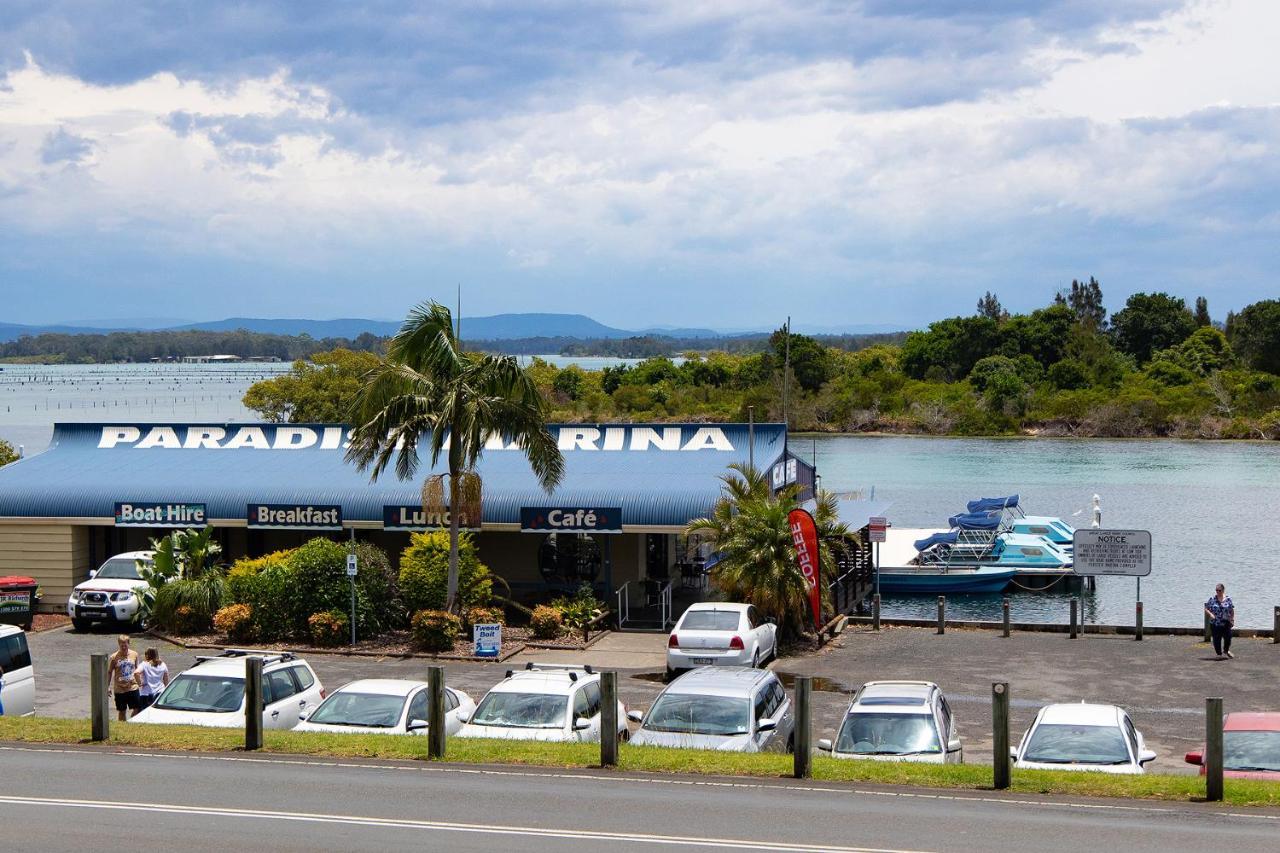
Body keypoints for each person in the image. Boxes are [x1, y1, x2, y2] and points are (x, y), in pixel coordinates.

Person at [107, 634, 141, 720]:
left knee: (137, 709)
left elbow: (137, 669)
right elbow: (109, 672)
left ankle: (131, 724)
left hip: (133, 686)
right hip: (120, 688)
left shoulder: (134, 654)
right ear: (119, 644)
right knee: (122, 711)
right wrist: (107, 686)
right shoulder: (114, 657)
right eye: (121, 645)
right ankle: (123, 726)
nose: (123, 647)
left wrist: (140, 682)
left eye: (125, 645)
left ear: (128, 643)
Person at [1204, 584, 1235, 660]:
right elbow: (1206, 608)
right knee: (1216, 639)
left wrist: (1232, 619)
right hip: (1215, 623)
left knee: (1228, 638)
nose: (1218, 592)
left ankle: (1226, 650)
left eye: (1219, 590)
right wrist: (1210, 614)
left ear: (1223, 590)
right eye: (1216, 590)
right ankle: (1219, 654)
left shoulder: (1228, 599)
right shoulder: (1212, 599)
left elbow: (1232, 610)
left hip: (1226, 622)